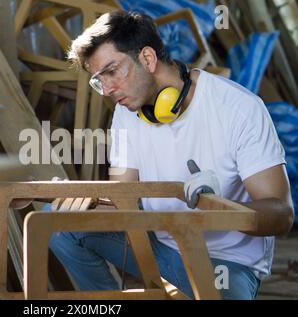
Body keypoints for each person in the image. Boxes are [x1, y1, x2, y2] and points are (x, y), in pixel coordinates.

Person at [45, 10, 295, 300]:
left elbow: (281, 216)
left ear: (148, 58)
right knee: (56, 222)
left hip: (225, 263)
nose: (107, 90)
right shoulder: (128, 114)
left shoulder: (239, 109)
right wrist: (85, 201)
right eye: (99, 80)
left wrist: (218, 209)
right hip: (159, 246)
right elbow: (123, 203)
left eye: (112, 71)